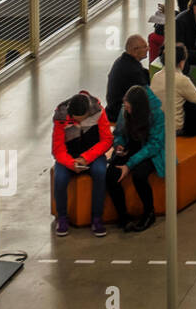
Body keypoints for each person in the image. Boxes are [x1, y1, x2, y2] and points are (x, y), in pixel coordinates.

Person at [51, 91, 113, 237]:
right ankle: (62, 217)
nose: (77, 123)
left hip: (93, 154)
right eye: (75, 120)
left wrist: (86, 157)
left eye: (81, 120)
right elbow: (57, 149)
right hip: (69, 157)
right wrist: (71, 163)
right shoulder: (60, 116)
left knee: (100, 173)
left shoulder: (99, 111)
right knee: (59, 179)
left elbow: (107, 140)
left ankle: (97, 218)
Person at [105, 85, 165, 233]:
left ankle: (149, 213)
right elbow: (119, 133)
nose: (127, 110)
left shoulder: (157, 114)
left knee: (139, 176)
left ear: (138, 107)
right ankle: (123, 216)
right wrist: (119, 145)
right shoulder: (124, 110)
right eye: (126, 107)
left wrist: (129, 165)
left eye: (129, 107)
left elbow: (154, 145)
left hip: (149, 152)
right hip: (130, 148)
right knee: (111, 175)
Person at [152, 43, 196, 137]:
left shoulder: (156, 76)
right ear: (182, 61)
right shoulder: (181, 79)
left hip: (156, 125)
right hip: (174, 128)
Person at [104, 35, 150, 124]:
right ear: (135, 50)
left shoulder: (123, 61)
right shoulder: (133, 70)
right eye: (144, 47)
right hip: (120, 114)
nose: (148, 49)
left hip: (112, 109)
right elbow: (146, 93)